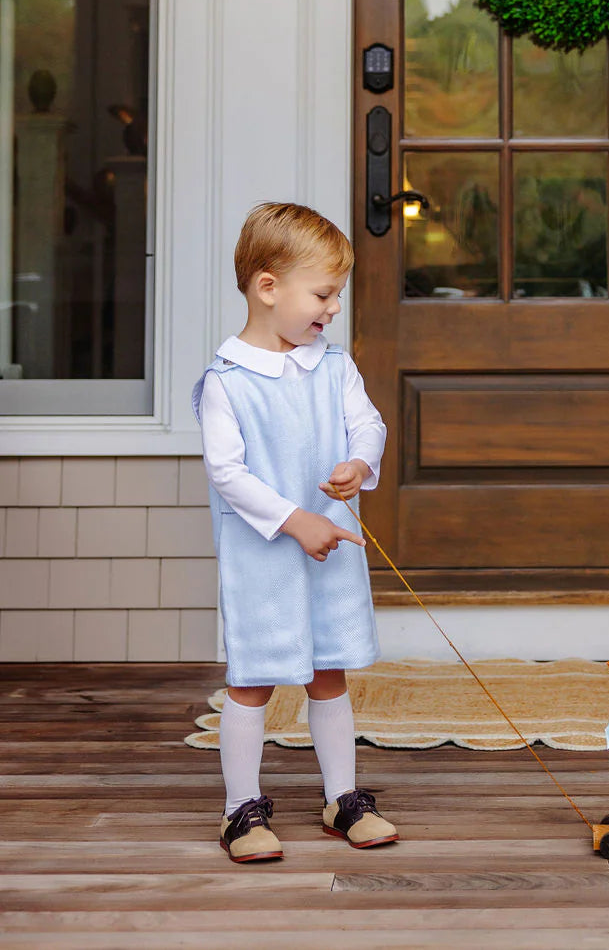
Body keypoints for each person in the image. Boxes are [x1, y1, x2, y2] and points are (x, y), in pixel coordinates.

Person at [192, 201, 397, 864]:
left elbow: (367, 423)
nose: (333, 308)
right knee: (253, 676)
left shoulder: (332, 368)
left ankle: (343, 796)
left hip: (328, 550)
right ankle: (241, 810)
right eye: (324, 293)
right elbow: (228, 471)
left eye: (336, 294)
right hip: (265, 556)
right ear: (268, 286)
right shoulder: (227, 383)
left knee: (327, 670)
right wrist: (295, 519)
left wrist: (358, 462)